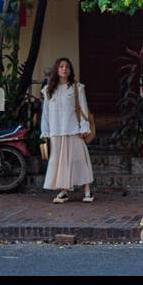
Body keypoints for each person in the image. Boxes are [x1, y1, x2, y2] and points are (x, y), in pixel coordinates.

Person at [39, 57, 94, 203]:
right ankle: (63, 191)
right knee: (59, 162)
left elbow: (83, 108)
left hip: (73, 130)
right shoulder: (48, 90)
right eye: (61, 66)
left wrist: (84, 127)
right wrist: (45, 131)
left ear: (70, 70)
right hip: (56, 131)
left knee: (80, 159)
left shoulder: (77, 87)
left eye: (67, 67)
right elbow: (45, 113)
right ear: (56, 70)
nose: (64, 69)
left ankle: (87, 191)